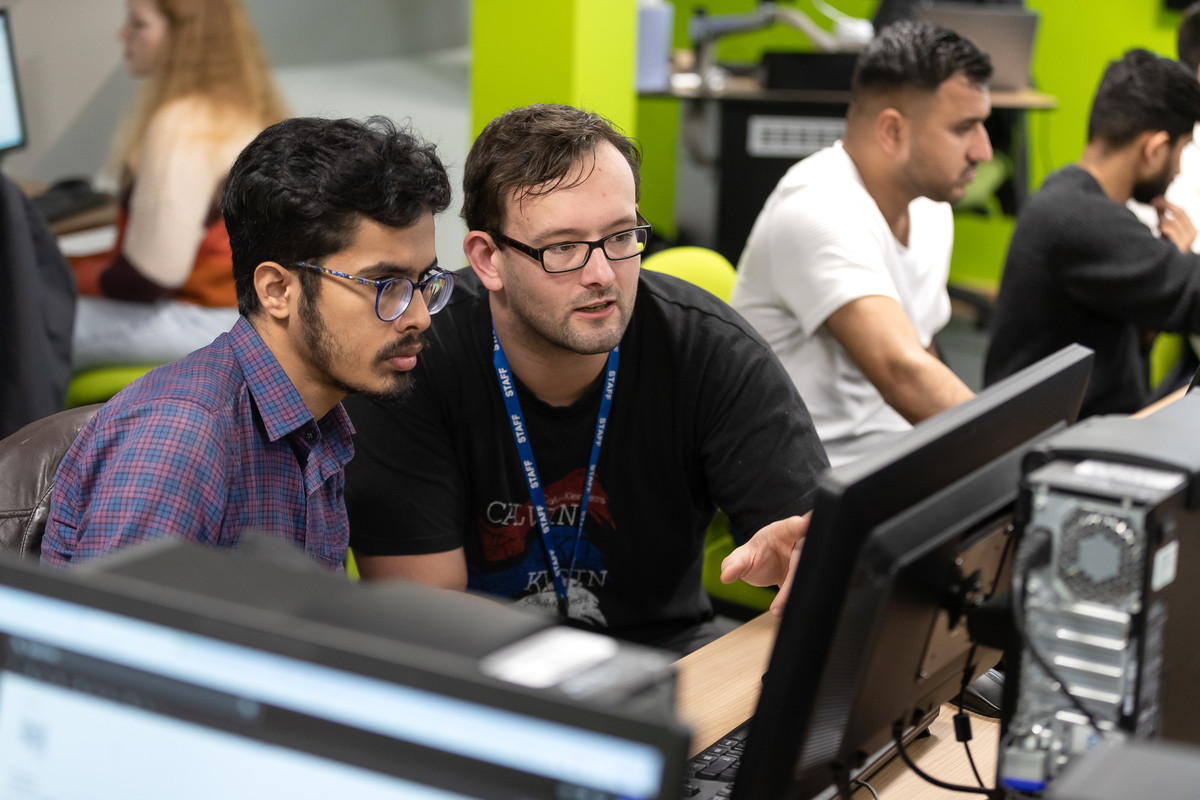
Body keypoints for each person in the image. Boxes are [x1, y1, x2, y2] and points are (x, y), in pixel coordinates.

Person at [342, 104, 828, 654]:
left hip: (667, 665)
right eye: (563, 248)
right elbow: (427, 619)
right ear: (487, 258)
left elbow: (815, 549)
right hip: (482, 674)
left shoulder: (709, 349)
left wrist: (814, 561)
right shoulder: (414, 358)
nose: (602, 275)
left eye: (621, 237)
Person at [41, 116, 455, 567]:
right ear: (277, 290)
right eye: (385, 285)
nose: (418, 316)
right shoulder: (183, 437)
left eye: (422, 282)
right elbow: (110, 635)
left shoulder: (320, 422)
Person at [731, 21, 991, 468]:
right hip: (804, 483)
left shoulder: (930, 208)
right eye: (963, 128)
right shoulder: (817, 207)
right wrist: (1017, 446)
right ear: (892, 131)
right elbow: (902, 372)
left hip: (889, 461)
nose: (983, 151)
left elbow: (919, 353)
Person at [69, 0, 289, 370]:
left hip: (202, 320)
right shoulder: (246, 110)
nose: (122, 35)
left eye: (138, 24)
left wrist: (61, 275)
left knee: (22, 325)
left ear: (183, 36)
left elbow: (149, 279)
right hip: (249, 316)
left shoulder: (183, 123)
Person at [984, 49, 1200, 417]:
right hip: (1057, 448)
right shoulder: (1081, 220)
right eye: (1180, 151)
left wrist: (1171, 265)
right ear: (1155, 149)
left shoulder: (1067, 194)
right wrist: (1179, 265)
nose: (1179, 169)